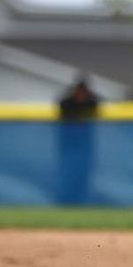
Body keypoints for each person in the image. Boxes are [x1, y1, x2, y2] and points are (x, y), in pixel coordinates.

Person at [56, 76, 100, 205]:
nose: (80, 94)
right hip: (68, 146)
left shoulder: (91, 103)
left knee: (83, 176)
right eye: (78, 91)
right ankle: (65, 201)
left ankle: (82, 202)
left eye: (83, 91)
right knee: (67, 175)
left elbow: (95, 104)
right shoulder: (67, 103)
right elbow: (61, 104)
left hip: (84, 147)